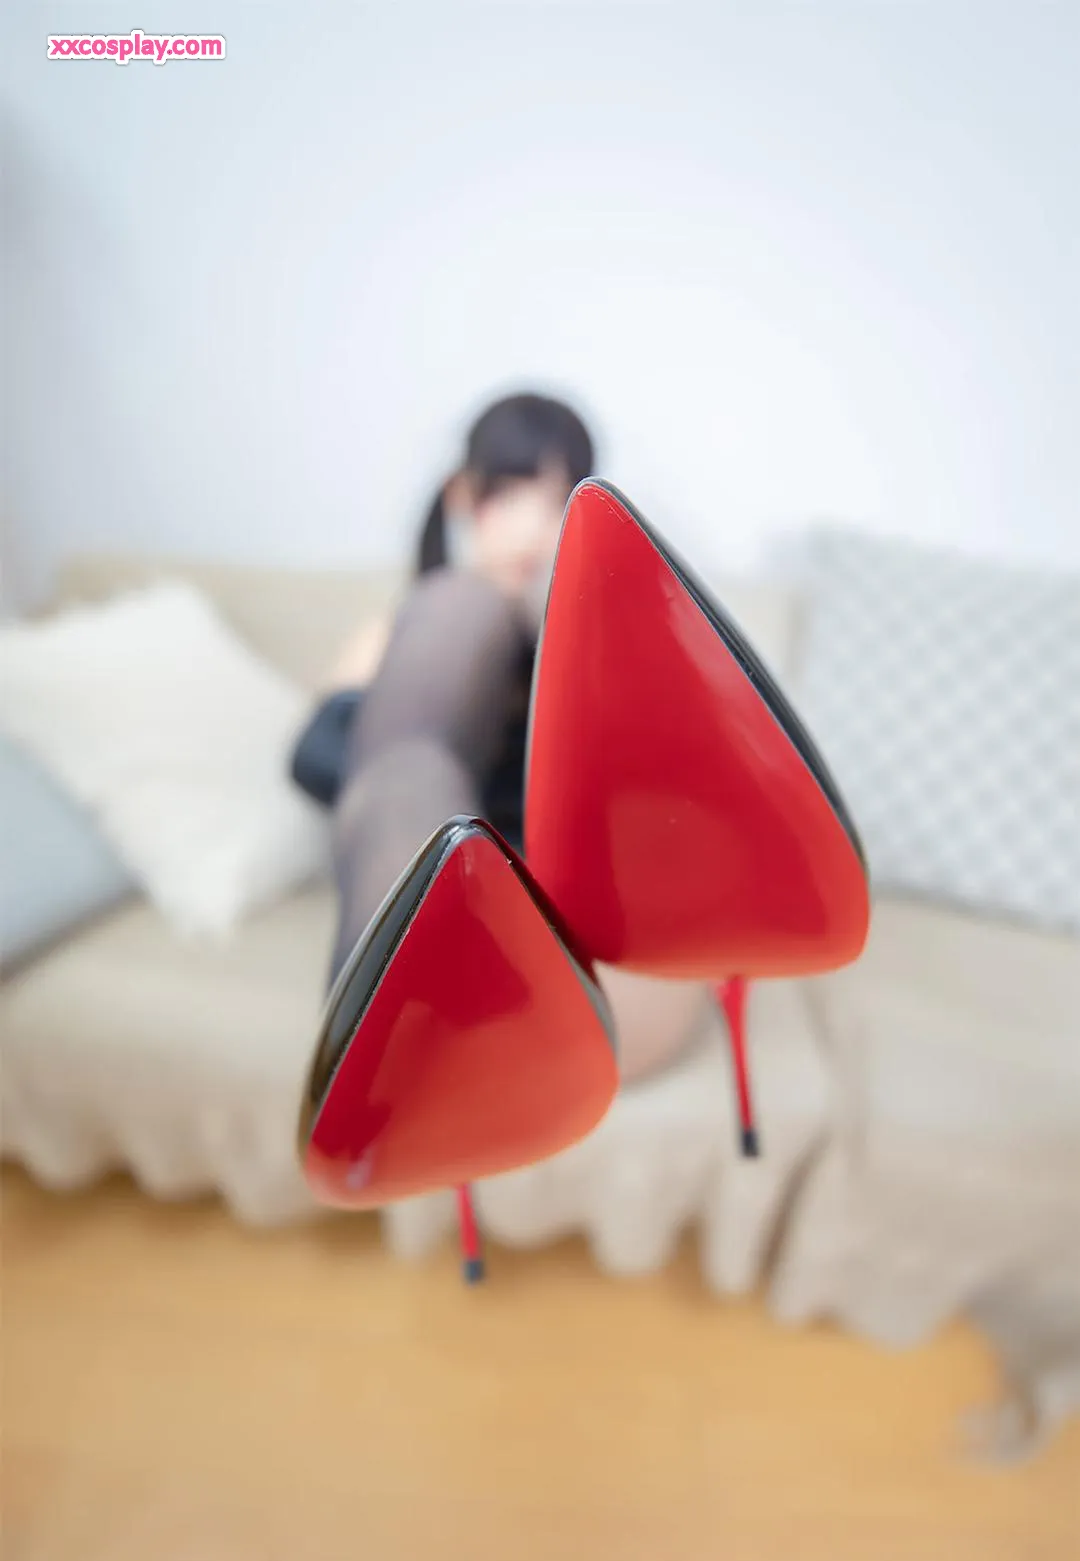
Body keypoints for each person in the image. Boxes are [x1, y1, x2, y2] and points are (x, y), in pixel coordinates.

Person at [291, 392, 711, 1082]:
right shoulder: (402, 632)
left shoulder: (578, 645)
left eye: (556, 506)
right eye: (513, 495)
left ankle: (402, 1055)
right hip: (453, 905)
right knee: (456, 614)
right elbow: (311, 761)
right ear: (464, 495)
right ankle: (397, 1051)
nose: (534, 530)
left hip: (568, 941)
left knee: (506, 614)